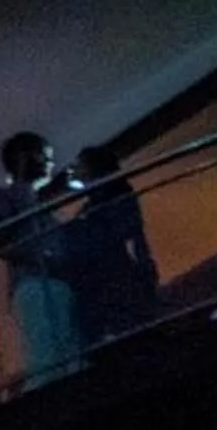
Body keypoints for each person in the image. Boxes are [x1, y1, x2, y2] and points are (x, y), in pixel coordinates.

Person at [0, 131, 82, 384]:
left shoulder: (41, 204)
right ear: (23, 158)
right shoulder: (3, 196)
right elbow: (0, 241)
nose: (50, 161)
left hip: (59, 282)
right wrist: (42, 258)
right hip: (35, 282)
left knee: (73, 355)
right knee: (46, 357)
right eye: (44, 155)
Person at [66, 143, 161, 350]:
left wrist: (145, 271)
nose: (75, 169)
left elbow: (129, 235)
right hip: (111, 282)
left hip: (118, 281)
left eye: (80, 165)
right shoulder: (93, 205)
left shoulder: (113, 198)